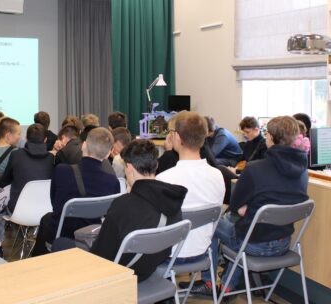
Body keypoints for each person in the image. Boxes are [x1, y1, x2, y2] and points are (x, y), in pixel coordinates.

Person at [193, 116, 309, 297]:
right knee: (244, 228)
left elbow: (236, 206)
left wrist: (250, 210)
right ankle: (227, 286)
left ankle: (209, 283)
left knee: (213, 223)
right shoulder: (303, 171)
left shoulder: (255, 169)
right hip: (284, 242)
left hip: (254, 243)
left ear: (270, 138)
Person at [89, 139, 187, 281]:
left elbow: (101, 255)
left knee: (65, 244)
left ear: (129, 167)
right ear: (156, 164)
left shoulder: (123, 205)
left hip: (121, 276)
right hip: (151, 271)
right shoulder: (173, 200)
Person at [32, 128, 120, 256]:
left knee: (47, 219)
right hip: (89, 238)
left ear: (83, 145)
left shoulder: (62, 171)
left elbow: (54, 202)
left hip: (62, 234)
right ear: (108, 154)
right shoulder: (113, 182)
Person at [157, 111, 225, 261]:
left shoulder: (164, 178)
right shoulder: (217, 175)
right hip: (203, 251)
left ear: (177, 137)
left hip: (170, 254)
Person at [0, 123, 55, 255]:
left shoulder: (16, 155)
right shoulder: (51, 159)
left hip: (17, 211)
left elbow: (5, 181)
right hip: (46, 211)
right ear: (45, 140)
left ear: (26, 138)